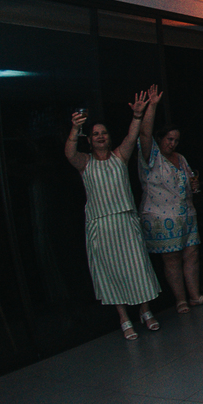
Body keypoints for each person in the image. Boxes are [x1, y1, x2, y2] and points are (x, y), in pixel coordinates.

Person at [64, 93, 162, 341]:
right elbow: (69, 154)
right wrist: (75, 129)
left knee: (138, 266)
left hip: (125, 222)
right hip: (101, 225)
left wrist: (137, 115)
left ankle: (145, 311)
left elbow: (131, 137)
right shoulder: (85, 163)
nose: (100, 136)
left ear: (109, 137)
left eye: (104, 133)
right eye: (95, 134)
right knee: (111, 272)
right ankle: (123, 318)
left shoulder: (119, 157)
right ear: (89, 140)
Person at [138, 87, 203, 313]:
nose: (172, 143)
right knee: (171, 258)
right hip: (161, 217)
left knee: (191, 254)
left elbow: (190, 181)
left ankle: (195, 296)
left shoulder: (180, 158)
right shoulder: (151, 157)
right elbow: (144, 134)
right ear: (160, 139)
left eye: (176, 140)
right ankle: (180, 300)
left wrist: (194, 186)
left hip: (186, 213)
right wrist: (152, 106)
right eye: (169, 139)